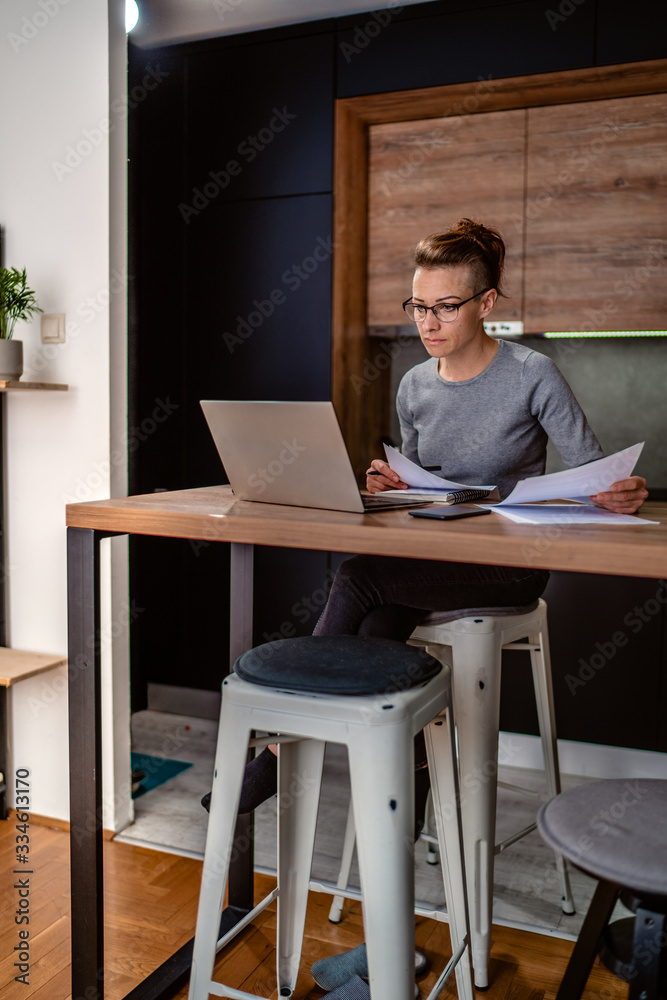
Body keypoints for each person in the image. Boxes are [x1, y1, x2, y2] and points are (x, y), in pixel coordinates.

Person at [204, 218, 648, 998]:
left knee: (361, 580)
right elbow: (426, 484)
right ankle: (392, 940)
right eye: (417, 308)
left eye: (445, 307)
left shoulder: (531, 373)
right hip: (428, 566)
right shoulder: (413, 385)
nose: (428, 325)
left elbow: (590, 473)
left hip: (509, 575)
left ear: (488, 302)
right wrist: (390, 484)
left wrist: (619, 491)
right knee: (377, 643)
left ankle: (270, 756)